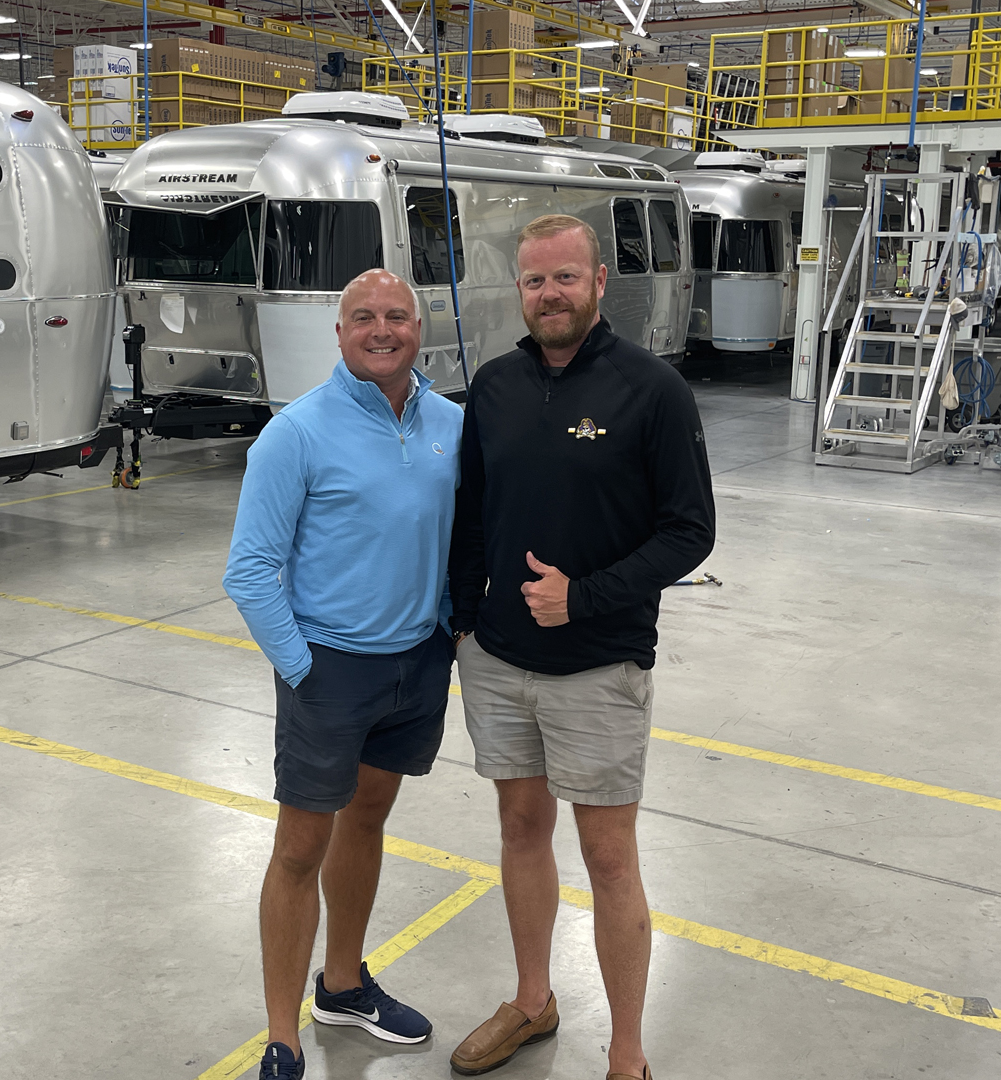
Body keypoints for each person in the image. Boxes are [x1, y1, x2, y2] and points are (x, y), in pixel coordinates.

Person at [447, 214, 715, 1080]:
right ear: (516, 290)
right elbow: (470, 515)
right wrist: (462, 620)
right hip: (497, 659)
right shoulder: (491, 387)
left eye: (565, 278)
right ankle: (532, 1001)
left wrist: (585, 598)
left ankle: (627, 1054)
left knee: (608, 855)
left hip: (599, 665)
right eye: (534, 281)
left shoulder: (653, 390)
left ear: (600, 281)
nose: (549, 294)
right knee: (521, 827)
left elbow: (690, 532)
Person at [222, 267, 463, 1080]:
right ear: (339, 332)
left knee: (367, 821)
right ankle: (283, 1038)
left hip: (417, 666)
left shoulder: (452, 426)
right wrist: (303, 669)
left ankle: (345, 984)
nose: (382, 329)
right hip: (329, 669)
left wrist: (453, 629)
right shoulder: (296, 432)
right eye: (364, 317)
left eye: (397, 316)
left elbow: (466, 535)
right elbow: (250, 571)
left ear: (418, 329)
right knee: (299, 847)